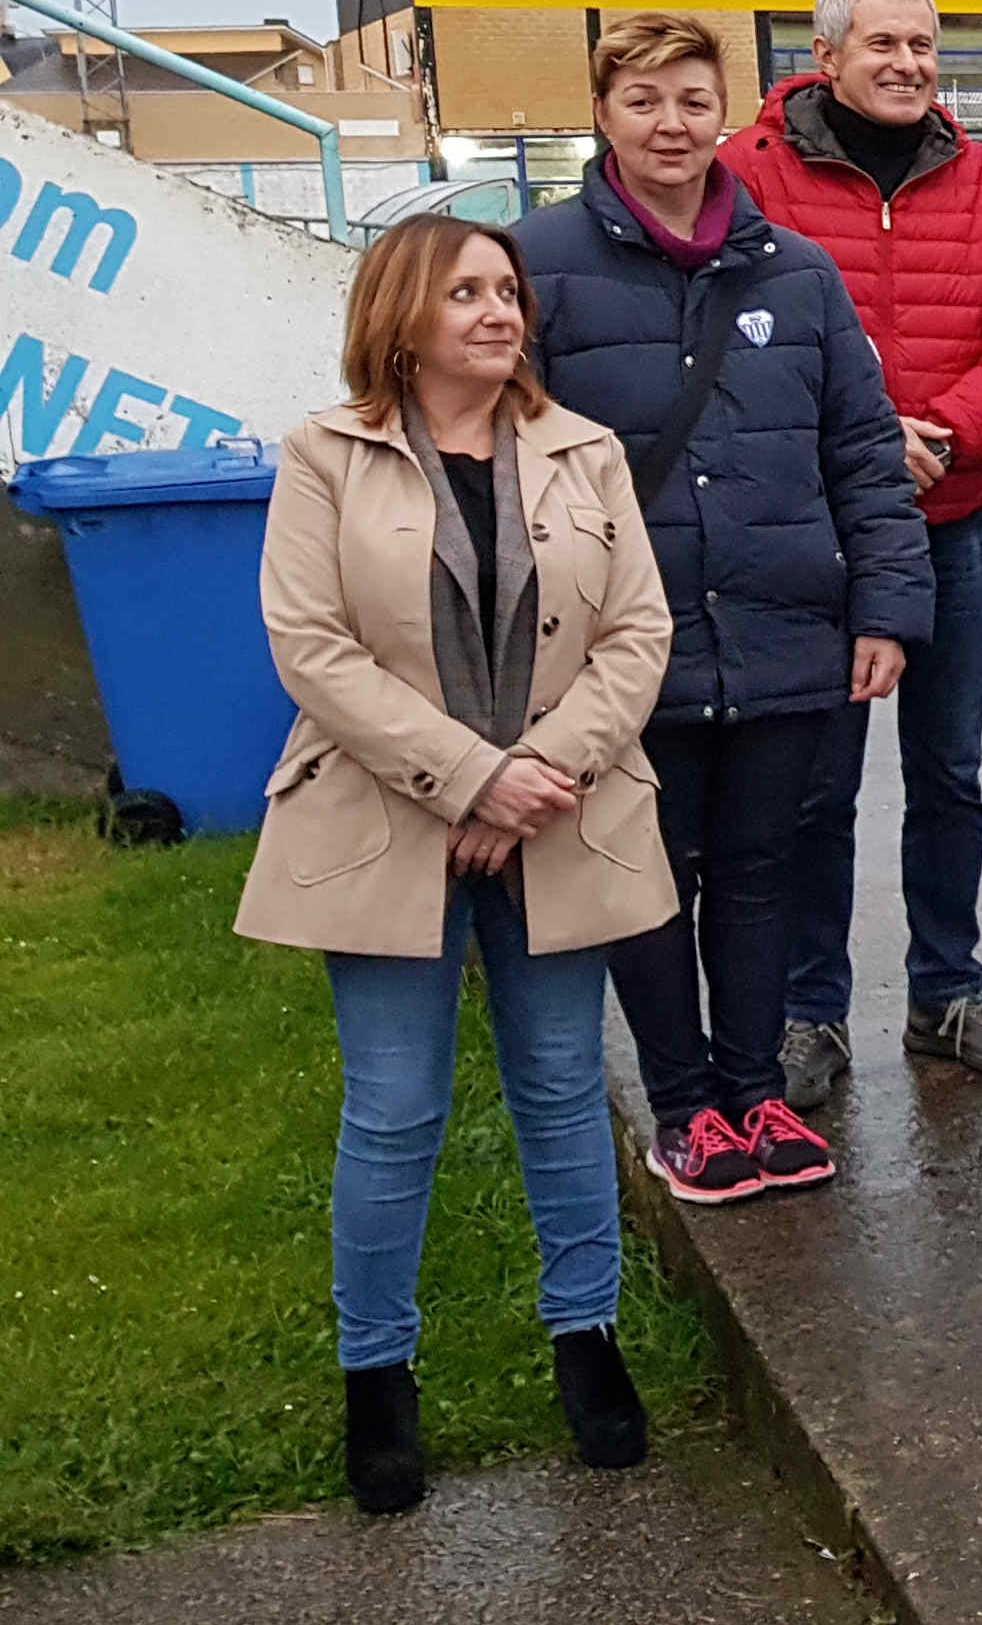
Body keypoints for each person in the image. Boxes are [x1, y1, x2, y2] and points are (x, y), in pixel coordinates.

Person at [235, 215, 676, 1514]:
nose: (499, 311)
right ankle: (378, 1377)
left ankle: (586, 1342)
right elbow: (311, 649)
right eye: (466, 292)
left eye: (507, 290)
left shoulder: (583, 451)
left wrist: (540, 772)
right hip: (388, 823)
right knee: (393, 1112)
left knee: (560, 1090)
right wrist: (472, 777)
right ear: (402, 315)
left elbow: (638, 633)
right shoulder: (326, 454)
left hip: (560, 818)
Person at [525, 11, 929, 1204]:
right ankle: (685, 1106)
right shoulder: (536, 264)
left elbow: (862, 447)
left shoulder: (796, 272)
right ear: (603, 114)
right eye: (644, 100)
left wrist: (888, 607)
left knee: (763, 867)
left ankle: (758, 1093)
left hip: (783, 628)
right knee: (652, 873)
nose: (671, 125)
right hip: (624, 645)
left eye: (693, 101)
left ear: (728, 116)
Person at [721, 0, 982, 1102]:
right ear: (826, 59)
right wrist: (864, 450)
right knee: (816, 784)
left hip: (955, 522)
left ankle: (945, 993)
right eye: (884, 45)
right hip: (811, 534)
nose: (909, 64)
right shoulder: (747, 178)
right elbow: (727, 341)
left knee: (949, 771)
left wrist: (952, 434)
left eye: (924, 45)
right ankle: (811, 1013)